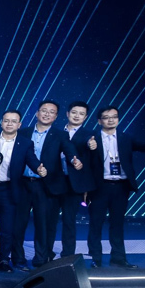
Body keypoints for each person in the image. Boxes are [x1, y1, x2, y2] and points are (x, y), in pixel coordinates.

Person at [87, 106, 145, 268]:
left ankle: (118, 258)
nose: (111, 120)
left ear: (118, 119)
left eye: (114, 116)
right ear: (99, 121)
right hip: (99, 187)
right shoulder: (92, 139)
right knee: (96, 223)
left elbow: (142, 146)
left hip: (121, 187)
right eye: (106, 117)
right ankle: (96, 258)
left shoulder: (125, 138)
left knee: (117, 223)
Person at [14, 100, 81, 268]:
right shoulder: (22, 132)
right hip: (23, 184)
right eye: (44, 110)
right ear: (37, 113)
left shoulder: (60, 135)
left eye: (51, 112)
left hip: (46, 185)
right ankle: (17, 258)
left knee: (43, 224)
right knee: (18, 224)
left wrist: (74, 159)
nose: (47, 114)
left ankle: (41, 259)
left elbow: (69, 150)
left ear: (56, 117)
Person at [0, 110, 44, 273]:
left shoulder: (25, 143)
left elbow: (32, 160)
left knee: (7, 229)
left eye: (13, 121)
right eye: (6, 120)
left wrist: (39, 169)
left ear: (19, 125)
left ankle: (4, 259)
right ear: (1, 122)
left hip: (9, 190)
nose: (9, 124)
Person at [59, 101, 98, 258]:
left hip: (73, 184)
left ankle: (67, 255)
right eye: (74, 112)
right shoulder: (56, 132)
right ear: (67, 114)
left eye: (81, 114)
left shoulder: (89, 134)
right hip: (53, 181)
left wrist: (91, 144)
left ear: (86, 117)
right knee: (47, 220)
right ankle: (44, 255)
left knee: (69, 220)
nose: (77, 116)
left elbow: (88, 143)